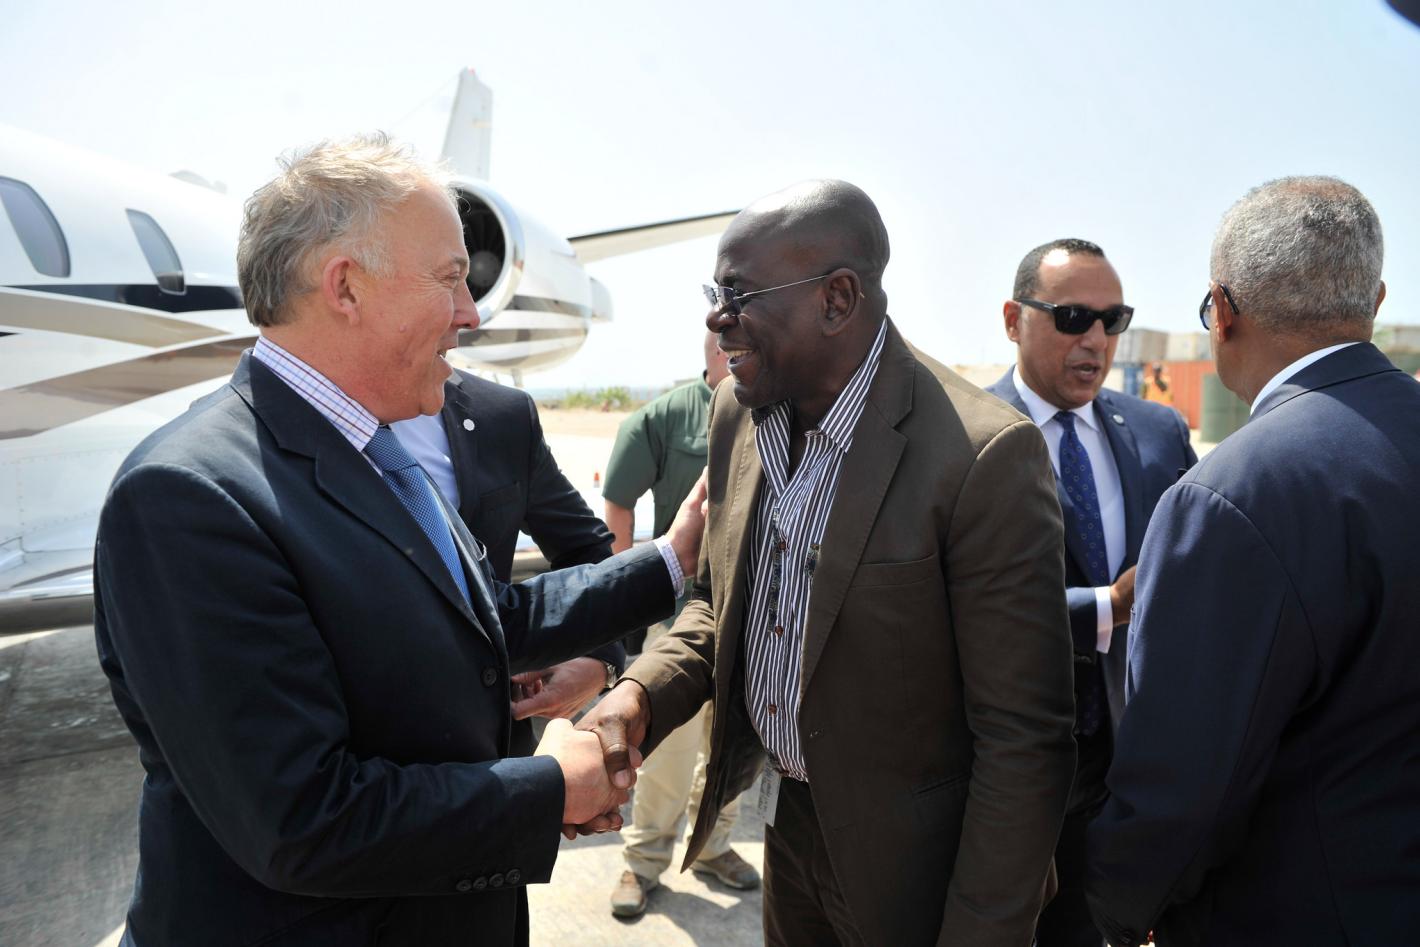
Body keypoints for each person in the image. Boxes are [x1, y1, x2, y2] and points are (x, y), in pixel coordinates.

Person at [92, 134, 703, 947]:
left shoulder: (371, 449)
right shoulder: (187, 496)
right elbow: (303, 820)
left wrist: (672, 559)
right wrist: (551, 788)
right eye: (450, 278)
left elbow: (488, 619)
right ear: (345, 285)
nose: (471, 313)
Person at [579, 179, 1076, 945]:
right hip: (789, 826)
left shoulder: (983, 457)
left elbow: (1023, 740)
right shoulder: (738, 411)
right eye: (715, 293)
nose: (716, 318)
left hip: (917, 870)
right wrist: (640, 693)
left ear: (837, 299)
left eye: (738, 295)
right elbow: (720, 602)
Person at [1086, 176, 1420, 947]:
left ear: (1223, 310)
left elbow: (1184, 779)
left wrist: (1119, 902)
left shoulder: (1231, 493)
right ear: (1373, 301)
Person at [985, 238, 1197, 947]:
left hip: (1126, 765)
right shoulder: (959, 438)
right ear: (1013, 319)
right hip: (1003, 769)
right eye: (1073, 317)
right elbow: (956, 603)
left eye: (1113, 320)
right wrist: (1109, 606)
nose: (1097, 340)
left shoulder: (1160, 431)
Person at [602, 330, 759, 917]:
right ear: (713, 349)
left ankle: (715, 846)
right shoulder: (666, 418)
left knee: (734, 746)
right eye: (729, 345)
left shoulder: (781, 408)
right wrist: (625, 594)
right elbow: (618, 498)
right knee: (667, 750)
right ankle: (643, 862)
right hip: (682, 618)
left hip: (756, 617)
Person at [393, 368, 625, 752]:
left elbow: (584, 547)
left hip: (499, 745)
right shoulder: (296, 415)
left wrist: (599, 660)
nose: (459, 333)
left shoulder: (502, 413)